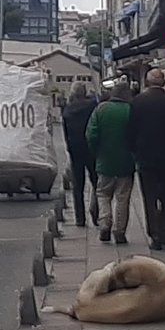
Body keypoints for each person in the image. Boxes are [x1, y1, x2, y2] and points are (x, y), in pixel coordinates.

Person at [127, 69, 165, 251]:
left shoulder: (137, 102)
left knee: (149, 196)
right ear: (163, 83)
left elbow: (130, 130)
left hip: (145, 157)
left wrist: (135, 150)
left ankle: (154, 234)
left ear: (147, 83)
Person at [86, 82, 136, 244]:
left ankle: (105, 223)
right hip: (126, 162)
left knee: (103, 194)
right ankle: (120, 230)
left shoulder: (101, 109)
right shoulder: (131, 110)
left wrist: (97, 152)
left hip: (105, 161)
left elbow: (91, 135)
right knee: (122, 197)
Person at [62, 84, 99, 227]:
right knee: (96, 182)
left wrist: (69, 147)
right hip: (91, 149)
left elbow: (65, 132)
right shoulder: (92, 107)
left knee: (78, 186)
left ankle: (80, 218)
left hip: (75, 151)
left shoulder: (67, 110)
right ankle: (96, 211)